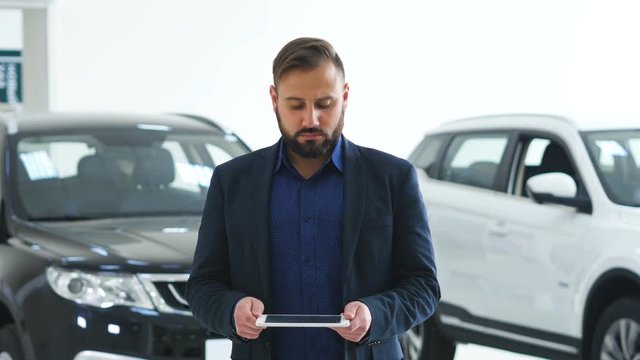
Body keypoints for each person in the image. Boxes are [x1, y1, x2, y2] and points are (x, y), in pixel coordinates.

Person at [186, 37, 440, 360]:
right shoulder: (231, 181)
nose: (311, 120)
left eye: (325, 104)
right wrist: (231, 310)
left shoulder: (394, 178)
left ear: (345, 97)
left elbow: (423, 287)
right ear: (274, 99)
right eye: (296, 105)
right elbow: (202, 287)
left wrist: (375, 313)